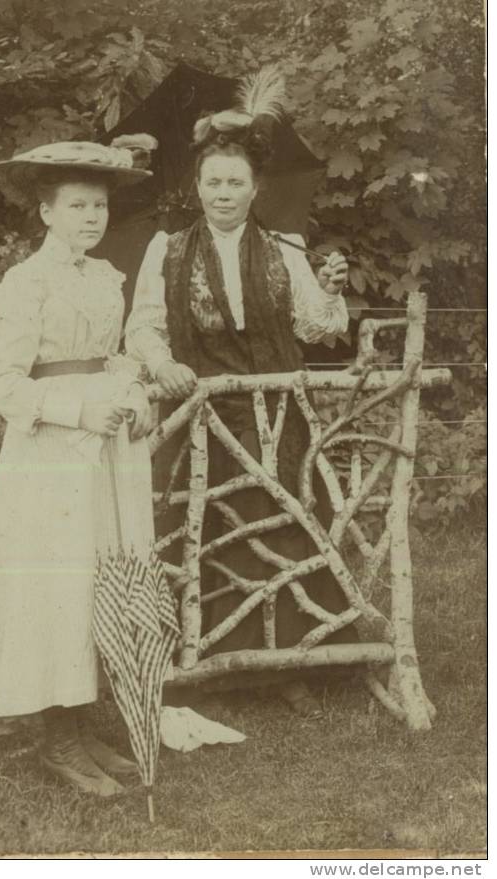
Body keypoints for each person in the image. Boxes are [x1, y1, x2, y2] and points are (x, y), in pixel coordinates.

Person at [125, 72, 352, 716]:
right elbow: (142, 325)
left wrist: (330, 290)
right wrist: (161, 364)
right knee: (202, 530)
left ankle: (292, 661)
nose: (223, 194)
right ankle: (205, 662)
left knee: (281, 525)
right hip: (198, 414)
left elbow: (315, 329)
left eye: (235, 183)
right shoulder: (165, 251)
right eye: (212, 183)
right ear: (195, 188)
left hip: (275, 415)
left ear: (255, 189)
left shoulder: (286, 249)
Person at [0, 138, 159, 796]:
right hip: (49, 453)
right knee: (56, 586)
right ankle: (56, 738)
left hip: (106, 454)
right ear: (45, 211)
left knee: (98, 579)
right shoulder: (24, 284)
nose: (91, 217)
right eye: (76, 205)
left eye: (99, 205)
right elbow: (3, 384)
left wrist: (131, 400)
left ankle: (81, 721)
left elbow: (119, 358)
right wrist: (76, 411)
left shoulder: (107, 279)